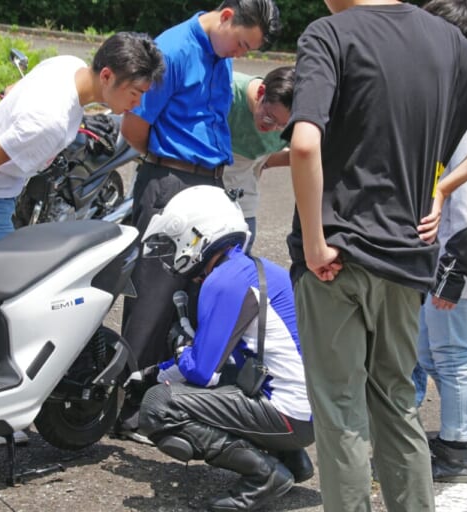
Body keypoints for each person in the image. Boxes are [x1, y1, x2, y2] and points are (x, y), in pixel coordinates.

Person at [286, 1, 467, 510]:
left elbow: (305, 144)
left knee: (341, 413)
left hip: (335, 259)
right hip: (406, 257)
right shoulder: (442, 38)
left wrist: (314, 240)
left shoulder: (330, 34)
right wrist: (445, 186)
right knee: (397, 404)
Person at [0, 33, 165, 369]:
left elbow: (11, 92)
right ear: (107, 76)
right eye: (135, 93)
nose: (137, 104)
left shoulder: (68, 66)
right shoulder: (51, 120)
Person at [118, 0, 281, 435]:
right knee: (152, 294)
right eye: (243, 44)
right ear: (226, 16)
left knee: (195, 298)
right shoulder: (172, 51)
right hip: (172, 179)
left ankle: (167, 396)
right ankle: (126, 403)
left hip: (209, 182)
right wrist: (165, 169)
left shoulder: (218, 53)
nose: (241, 55)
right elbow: (134, 124)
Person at [137, 185, 314, 512]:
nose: (176, 250)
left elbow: (204, 372)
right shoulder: (253, 268)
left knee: (158, 405)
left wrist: (173, 359)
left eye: (178, 241)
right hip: (311, 412)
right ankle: (292, 459)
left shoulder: (223, 281)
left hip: (289, 413)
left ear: (198, 235)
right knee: (223, 379)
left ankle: (265, 475)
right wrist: (159, 370)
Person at [411, 0, 467, 484]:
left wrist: (452, 272)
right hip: (455, 256)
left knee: (449, 356)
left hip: (457, 258)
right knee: (438, 354)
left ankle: (457, 448)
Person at [223, 66, 294, 252]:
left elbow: (265, 159)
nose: (273, 129)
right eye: (270, 119)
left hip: (243, 201)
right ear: (261, 92)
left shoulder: (295, 123)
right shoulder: (225, 91)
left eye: (283, 126)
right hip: (199, 191)